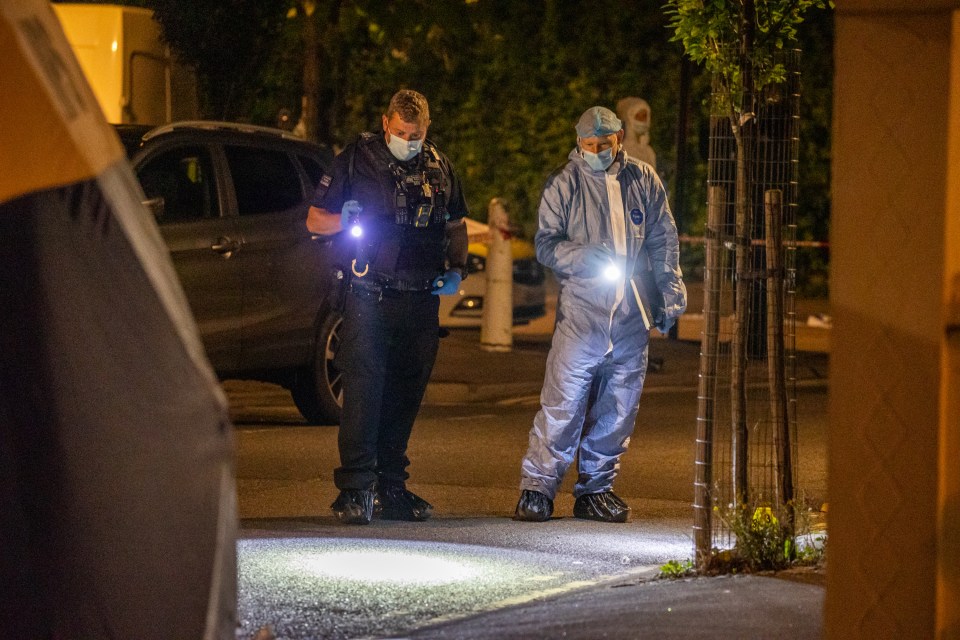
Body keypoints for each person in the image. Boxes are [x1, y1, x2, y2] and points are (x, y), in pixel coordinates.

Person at [514, 106, 686, 523]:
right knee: (563, 400)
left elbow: (663, 239)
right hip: (582, 311)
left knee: (619, 404)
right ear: (578, 143)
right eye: (587, 146)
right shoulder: (565, 183)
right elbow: (546, 245)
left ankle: (596, 488)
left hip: (630, 311)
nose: (595, 152)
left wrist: (670, 292)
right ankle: (537, 486)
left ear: (620, 138)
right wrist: (585, 256)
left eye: (603, 145)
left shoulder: (643, 180)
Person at [306, 89, 469, 525]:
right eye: (400, 132)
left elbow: (455, 225)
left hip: (421, 299)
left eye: (415, 134)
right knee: (364, 392)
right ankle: (356, 490)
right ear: (386, 123)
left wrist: (457, 270)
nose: (408, 140)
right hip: (370, 294)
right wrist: (346, 219)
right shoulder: (357, 162)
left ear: (427, 127)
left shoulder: (440, 165)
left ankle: (391, 488)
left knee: (405, 395)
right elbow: (315, 219)